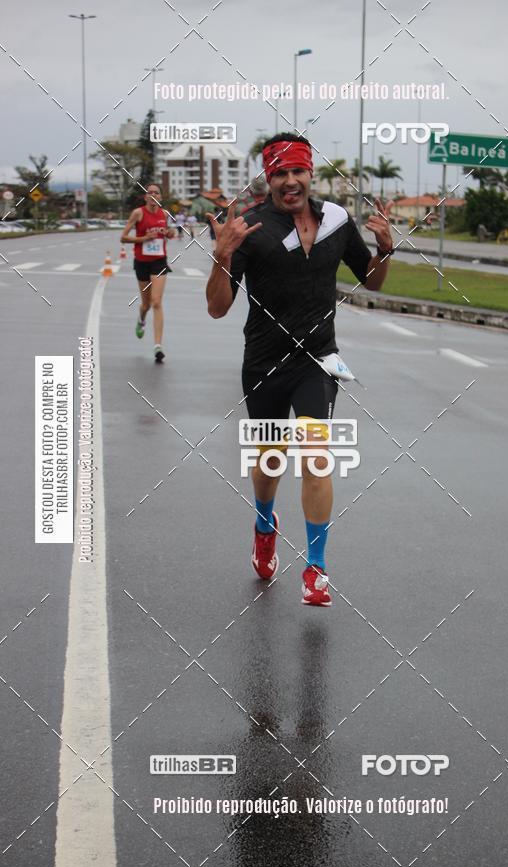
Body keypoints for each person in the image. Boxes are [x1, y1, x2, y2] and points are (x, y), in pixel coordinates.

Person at [205, 133, 394, 606]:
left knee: (315, 453)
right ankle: (265, 525)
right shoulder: (248, 227)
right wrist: (221, 257)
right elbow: (216, 308)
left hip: (318, 360)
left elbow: (369, 280)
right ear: (268, 179)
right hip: (265, 362)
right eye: (279, 174)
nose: (290, 182)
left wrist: (386, 250)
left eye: (297, 172)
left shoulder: (335, 220)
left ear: (311, 173)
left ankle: (316, 567)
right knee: (270, 460)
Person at [120, 184, 176, 363]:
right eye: (149, 193)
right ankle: (142, 319)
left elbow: (169, 232)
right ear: (145, 198)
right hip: (142, 262)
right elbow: (123, 237)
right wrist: (143, 238)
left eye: (156, 193)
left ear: (160, 197)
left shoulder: (165, 214)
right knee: (146, 304)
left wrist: (169, 233)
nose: (153, 195)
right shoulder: (138, 213)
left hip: (159, 261)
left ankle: (158, 346)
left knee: (157, 301)